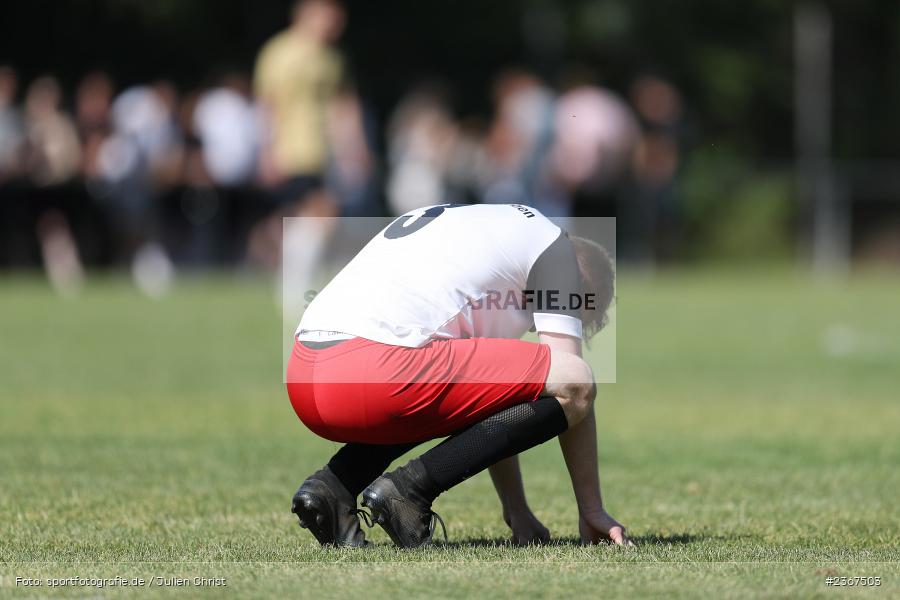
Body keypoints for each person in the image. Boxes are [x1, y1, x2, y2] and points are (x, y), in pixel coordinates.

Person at [285, 202, 629, 548]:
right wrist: (591, 508)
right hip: (375, 375)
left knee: (493, 379)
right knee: (576, 378)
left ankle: (334, 486)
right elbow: (574, 383)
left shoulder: (488, 230)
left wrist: (517, 510)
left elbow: (494, 395)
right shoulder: (557, 252)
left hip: (304, 374)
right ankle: (408, 491)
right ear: (583, 289)